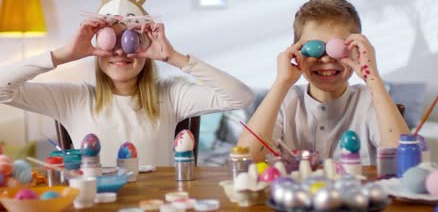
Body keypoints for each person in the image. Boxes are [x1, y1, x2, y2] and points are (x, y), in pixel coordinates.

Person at [0, 16, 255, 167]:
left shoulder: (170, 95)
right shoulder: (73, 98)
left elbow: (240, 96)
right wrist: (64, 55)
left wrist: (174, 57)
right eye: (112, 41)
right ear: (97, 48)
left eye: (130, 41)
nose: (120, 51)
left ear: (146, 51)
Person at [237, 0, 409, 164]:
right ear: (296, 52)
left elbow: (404, 160)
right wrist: (282, 82)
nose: (326, 59)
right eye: (314, 48)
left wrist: (372, 77)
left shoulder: (370, 100)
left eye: (338, 48)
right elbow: (246, 160)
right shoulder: (286, 101)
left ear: (356, 50)